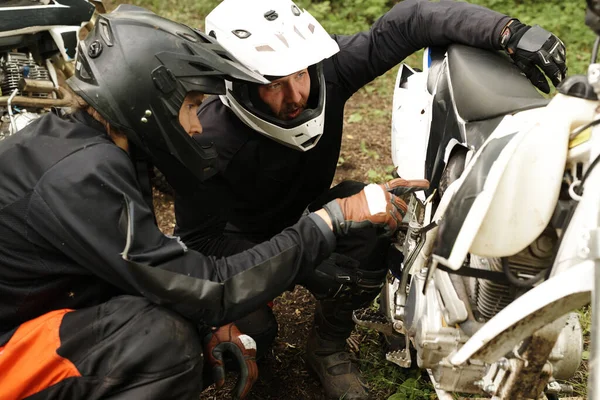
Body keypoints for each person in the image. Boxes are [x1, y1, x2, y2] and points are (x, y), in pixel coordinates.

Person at [0, 5, 427, 400]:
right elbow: (209, 284)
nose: (197, 126)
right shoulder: (84, 176)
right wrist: (330, 222)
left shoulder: (93, 150)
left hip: (38, 307)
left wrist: (206, 314)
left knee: (184, 320)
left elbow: (139, 269)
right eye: (191, 107)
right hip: (10, 343)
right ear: (147, 105)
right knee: (161, 343)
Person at [173, 0, 568, 398]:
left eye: (300, 74)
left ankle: (327, 345)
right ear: (237, 83)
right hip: (237, 244)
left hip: (307, 211)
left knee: (371, 224)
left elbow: (410, 22)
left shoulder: (328, 72)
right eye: (273, 84)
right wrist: (301, 265)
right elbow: (198, 243)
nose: (296, 95)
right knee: (257, 334)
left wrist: (509, 32)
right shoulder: (206, 142)